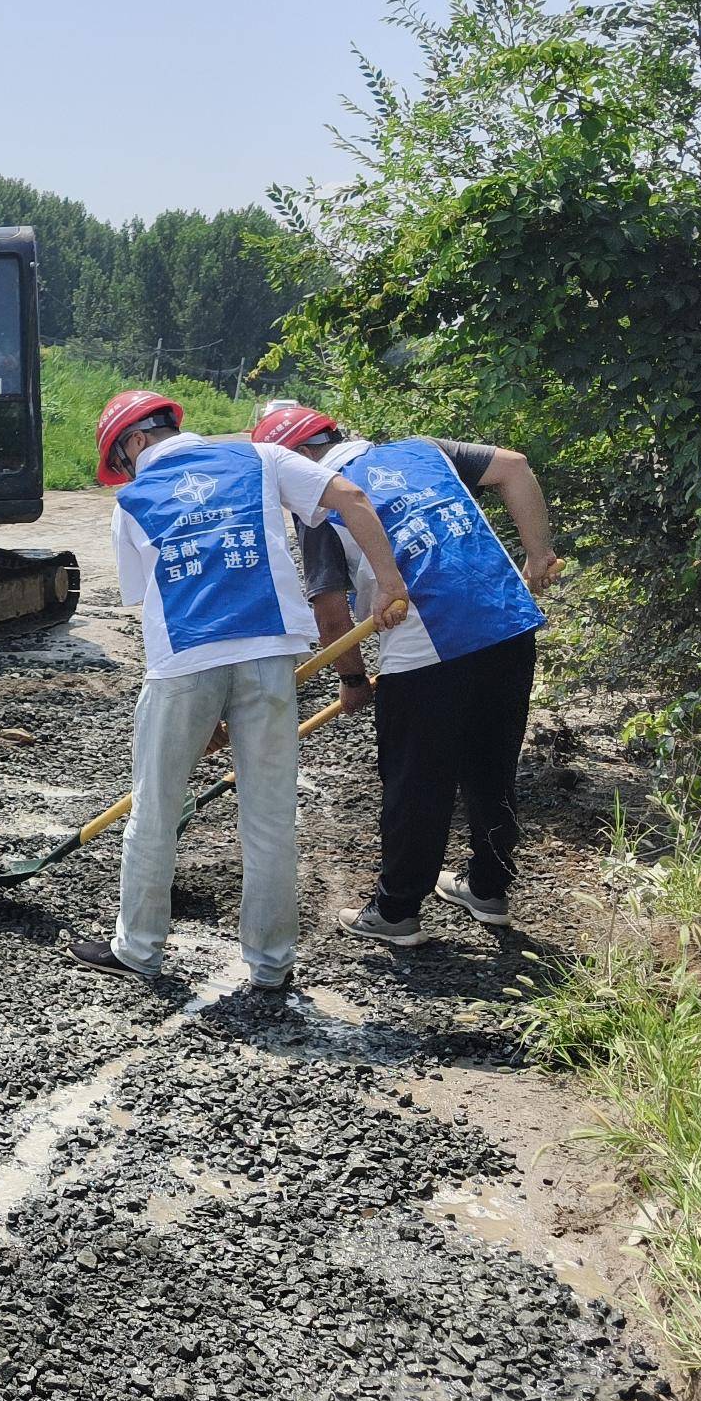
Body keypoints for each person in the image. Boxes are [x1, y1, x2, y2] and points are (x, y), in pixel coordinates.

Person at [66, 390, 410, 991]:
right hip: (269, 657)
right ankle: (272, 965)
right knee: (271, 818)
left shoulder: (131, 503)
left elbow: (151, 601)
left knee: (154, 810)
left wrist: (205, 715)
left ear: (135, 443)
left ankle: (139, 948)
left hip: (183, 665)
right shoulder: (260, 460)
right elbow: (351, 496)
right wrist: (387, 582)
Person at [249, 401, 562, 945]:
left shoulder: (321, 498)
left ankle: (396, 912)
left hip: (428, 643)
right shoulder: (423, 451)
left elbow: (330, 609)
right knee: (492, 761)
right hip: (508, 619)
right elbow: (514, 465)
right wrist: (538, 557)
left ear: (296, 457)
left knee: (416, 779)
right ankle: (489, 888)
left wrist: (352, 681)